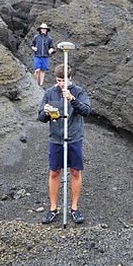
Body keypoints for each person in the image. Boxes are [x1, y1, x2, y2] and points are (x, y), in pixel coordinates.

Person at [37, 63, 91, 224]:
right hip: (56, 139)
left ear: (71, 78)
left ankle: (74, 208)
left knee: (75, 171)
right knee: (54, 172)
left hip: (74, 137)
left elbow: (86, 111)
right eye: (59, 80)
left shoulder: (79, 92)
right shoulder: (50, 93)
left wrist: (72, 99)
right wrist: (45, 112)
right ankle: (53, 208)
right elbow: (41, 117)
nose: (61, 84)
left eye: (64, 80)